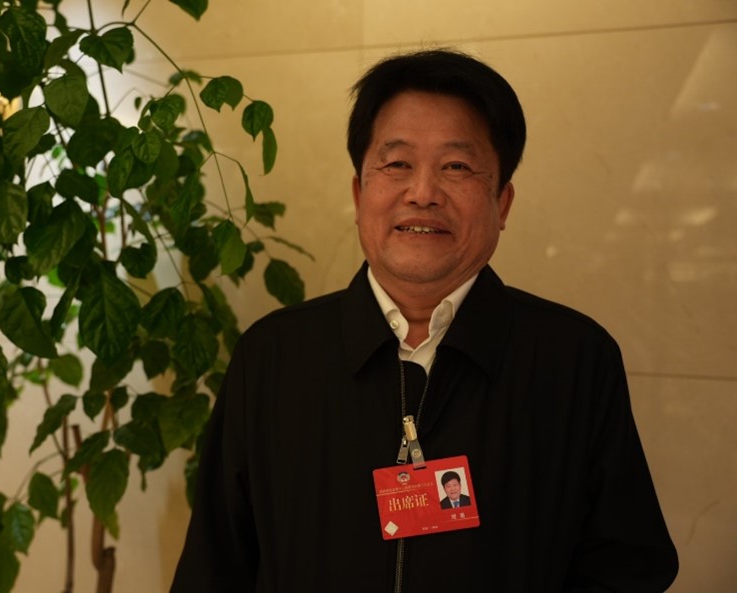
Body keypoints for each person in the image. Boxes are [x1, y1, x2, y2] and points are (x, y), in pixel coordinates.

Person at [170, 48, 678, 592]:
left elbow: (626, 569)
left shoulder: (573, 360)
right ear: (360, 193)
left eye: (456, 167)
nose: (422, 193)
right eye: (397, 164)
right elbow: (214, 569)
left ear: (502, 203)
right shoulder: (273, 357)